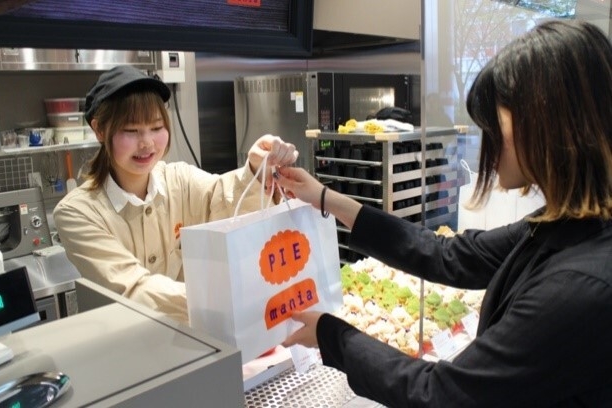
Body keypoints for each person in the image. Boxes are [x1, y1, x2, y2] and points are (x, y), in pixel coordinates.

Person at [274, 19, 612, 407]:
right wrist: (325, 198)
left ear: (550, 125)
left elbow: (440, 394)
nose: (487, 140)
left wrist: (334, 337)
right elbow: (449, 255)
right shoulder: (568, 226)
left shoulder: (579, 286)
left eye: (495, 123)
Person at [54, 65, 297, 324]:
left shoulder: (179, 179)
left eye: (156, 127)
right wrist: (226, 301)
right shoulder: (77, 212)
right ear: (100, 130)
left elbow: (223, 198)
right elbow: (133, 289)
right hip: (125, 340)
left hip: (192, 336)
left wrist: (256, 171)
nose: (147, 143)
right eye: (131, 130)